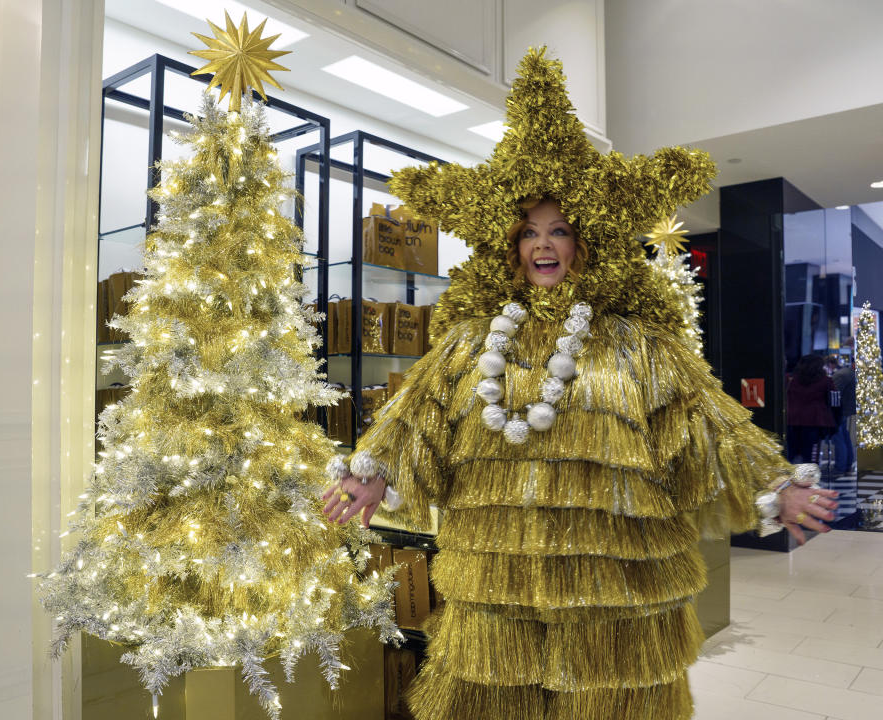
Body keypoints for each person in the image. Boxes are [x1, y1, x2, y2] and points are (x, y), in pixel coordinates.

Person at [322, 48, 838, 720]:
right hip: (495, 580)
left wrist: (774, 482)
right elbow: (415, 413)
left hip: (615, 588)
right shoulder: (473, 340)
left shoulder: (637, 344)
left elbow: (707, 421)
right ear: (508, 242)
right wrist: (375, 470)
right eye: (529, 231)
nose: (543, 245)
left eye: (559, 230)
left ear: (585, 238)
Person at [786, 354, 836, 463]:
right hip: (814, 420)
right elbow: (832, 400)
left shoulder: (793, 380)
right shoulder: (826, 381)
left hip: (793, 419)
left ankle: (792, 475)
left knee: (792, 452)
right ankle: (808, 476)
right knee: (809, 454)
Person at [829, 355, 856, 472]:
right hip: (844, 410)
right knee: (844, 436)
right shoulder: (848, 373)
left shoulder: (842, 374)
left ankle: (840, 466)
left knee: (839, 437)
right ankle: (847, 463)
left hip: (838, 410)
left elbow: (833, 393)